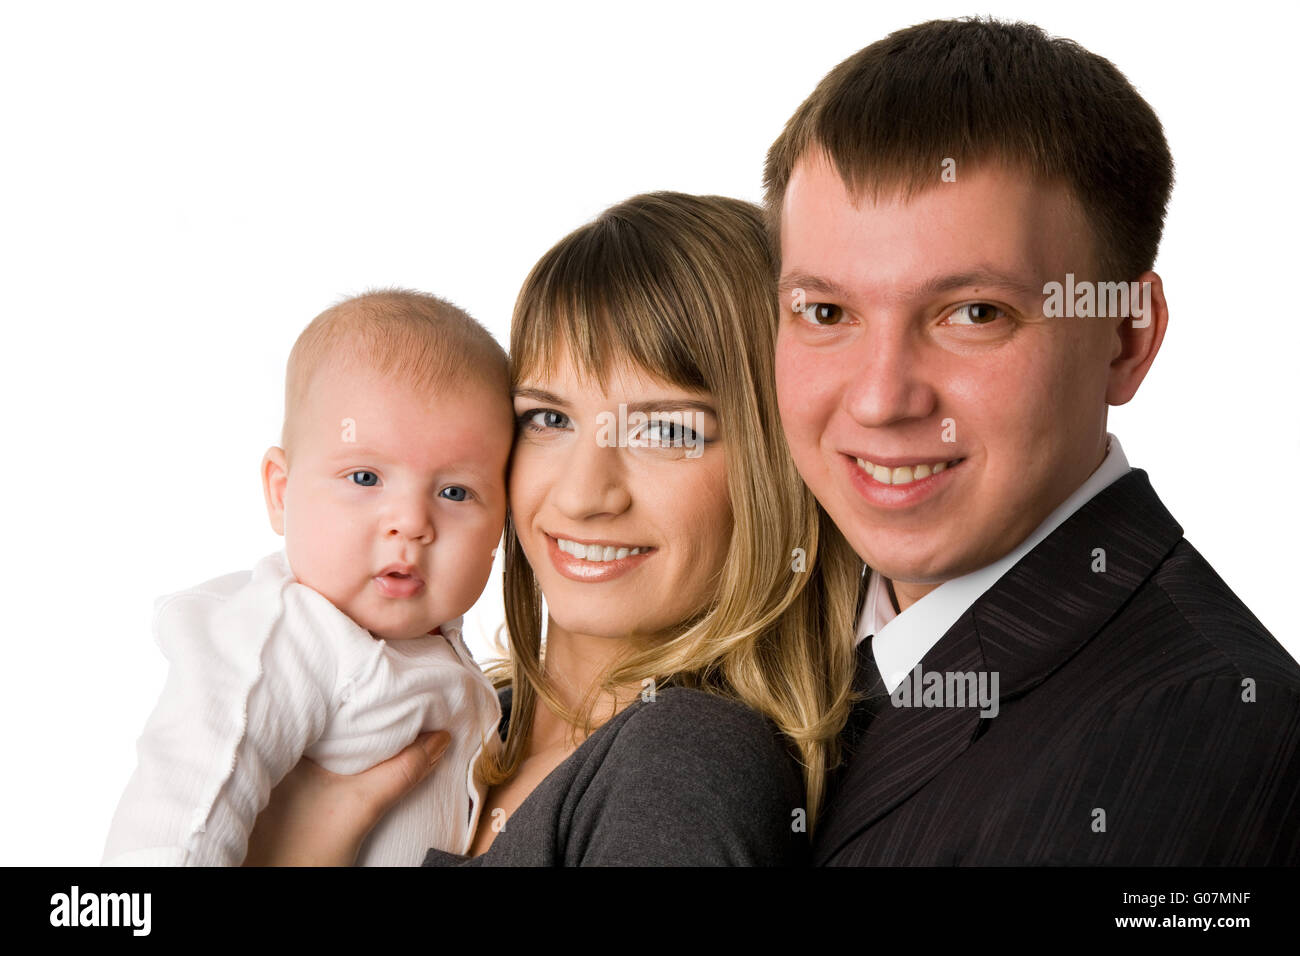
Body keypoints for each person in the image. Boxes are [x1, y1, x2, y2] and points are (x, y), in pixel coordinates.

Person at [765, 17, 1300, 865]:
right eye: (827, 313)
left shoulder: (1210, 735)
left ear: (1125, 337)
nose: (879, 399)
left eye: (975, 313)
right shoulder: (778, 636)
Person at [245, 192, 862, 866]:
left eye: (665, 430)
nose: (583, 493)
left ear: (775, 468)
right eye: (549, 418)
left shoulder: (682, 763)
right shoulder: (468, 718)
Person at [102, 290, 512, 866]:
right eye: (365, 477)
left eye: (454, 492)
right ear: (281, 491)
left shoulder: (437, 649)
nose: (411, 524)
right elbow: (188, 799)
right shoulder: (288, 636)